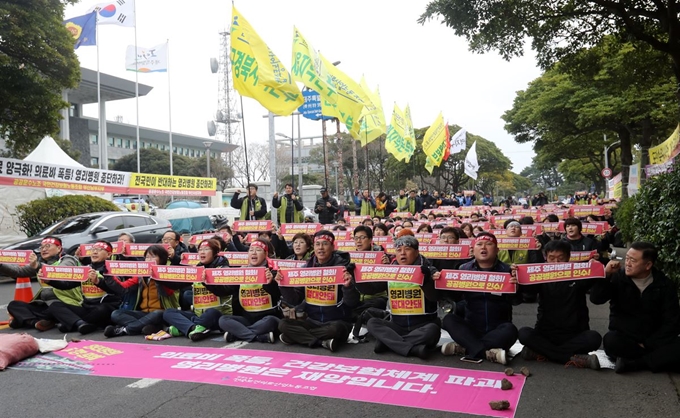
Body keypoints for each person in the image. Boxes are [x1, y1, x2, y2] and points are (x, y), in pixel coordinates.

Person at [590, 242, 680, 373]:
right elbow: (596, 299)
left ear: (648, 265)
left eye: (633, 260)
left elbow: (672, 322)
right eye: (627, 259)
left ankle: (634, 364)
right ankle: (654, 361)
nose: (628, 263)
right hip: (625, 338)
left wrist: (649, 343)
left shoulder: (664, 285)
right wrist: (605, 275)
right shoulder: (618, 278)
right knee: (610, 341)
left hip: (654, 339)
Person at [517, 240, 602, 368]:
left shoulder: (579, 275)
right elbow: (528, 292)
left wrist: (599, 267)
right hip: (546, 333)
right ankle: (571, 358)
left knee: (594, 338)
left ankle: (542, 353)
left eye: (560, 258)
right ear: (545, 258)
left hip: (575, 333)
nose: (556, 263)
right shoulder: (539, 276)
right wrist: (517, 278)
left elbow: (596, 285)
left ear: (568, 258)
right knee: (524, 333)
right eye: (551, 258)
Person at [438, 233, 518, 365]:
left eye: (489, 244)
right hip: (471, 327)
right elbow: (455, 298)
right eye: (479, 244)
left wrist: (516, 286)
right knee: (448, 320)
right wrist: (442, 281)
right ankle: (487, 353)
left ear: (497, 250)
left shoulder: (508, 271)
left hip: (497, 329)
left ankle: (466, 348)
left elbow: (516, 301)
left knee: (511, 330)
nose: (484, 247)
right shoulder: (464, 269)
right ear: (473, 250)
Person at [277, 230, 359, 352]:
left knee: (335, 329)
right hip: (312, 321)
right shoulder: (307, 269)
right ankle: (321, 342)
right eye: (317, 244)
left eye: (325, 244)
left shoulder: (345, 269)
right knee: (283, 325)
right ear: (313, 247)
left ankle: (298, 337)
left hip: (336, 321)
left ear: (333, 246)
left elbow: (352, 302)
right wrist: (283, 285)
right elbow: (295, 300)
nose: (320, 248)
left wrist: (348, 286)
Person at [366, 233, 441, 359]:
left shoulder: (430, 270)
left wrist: (426, 280)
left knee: (433, 329)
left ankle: (389, 343)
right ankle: (414, 348)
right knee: (372, 322)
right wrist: (355, 279)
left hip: (422, 326)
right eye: (399, 250)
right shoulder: (389, 271)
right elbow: (372, 289)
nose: (402, 253)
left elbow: (434, 297)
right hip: (397, 325)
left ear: (416, 252)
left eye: (407, 249)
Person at [100, 245, 180, 338]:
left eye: (153, 257)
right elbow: (123, 288)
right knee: (116, 313)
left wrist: (157, 278)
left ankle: (125, 330)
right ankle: (150, 327)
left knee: (157, 313)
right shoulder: (141, 276)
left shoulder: (168, 274)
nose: (149, 260)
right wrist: (108, 275)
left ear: (162, 259)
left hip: (163, 313)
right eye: (147, 257)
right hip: (144, 313)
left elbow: (166, 293)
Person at [160, 239, 232, 341]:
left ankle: (184, 328)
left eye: (206, 249)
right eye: (200, 249)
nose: (202, 252)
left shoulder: (223, 269)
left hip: (218, 316)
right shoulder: (197, 269)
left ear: (215, 252)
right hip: (199, 315)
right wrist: (157, 277)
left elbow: (223, 291)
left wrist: (206, 282)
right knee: (168, 312)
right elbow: (176, 285)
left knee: (211, 312)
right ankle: (193, 329)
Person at [4, 236, 81, 331]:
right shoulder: (39, 263)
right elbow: (18, 272)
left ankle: (25, 321)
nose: (44, 249)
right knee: (14, 305)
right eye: (42, 247)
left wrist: (38, 265)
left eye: (48, 246)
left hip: (65, 303)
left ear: (59, 248)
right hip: (45, 304)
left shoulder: (68, 259)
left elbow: (59, 271)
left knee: (55, 308)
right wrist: (1, 265)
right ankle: (36, 322)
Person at [47, 241, 122, 334]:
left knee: (103, 309)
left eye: (99, 250)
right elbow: (66, 285)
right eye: (93, 250)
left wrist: (98, 282)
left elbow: (118, 290)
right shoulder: (86, 269)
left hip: (105, 308)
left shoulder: (113, 269)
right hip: (87, 308)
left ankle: (72, 323)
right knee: (55, 305)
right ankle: (80, 323)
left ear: (109, 254)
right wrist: (49, 281)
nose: (95, 252)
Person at [214, 239, 281, 343]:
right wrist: (207, 281)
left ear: (265, 254)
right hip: (247, 318)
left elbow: (278, 295)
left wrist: (270, 282)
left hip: (267, 317)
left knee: (271, 321)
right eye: (251, 250)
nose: (254, 253)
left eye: (258, 250)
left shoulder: (273, 271)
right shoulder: (242, 272)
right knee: (223, 320)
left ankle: (238, 334)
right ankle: (258, 337)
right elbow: (224, 291)